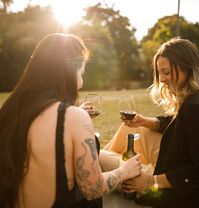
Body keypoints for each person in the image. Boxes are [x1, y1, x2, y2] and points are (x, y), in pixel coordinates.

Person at [0, 33, 141, 208]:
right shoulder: (73, 117)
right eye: (81, 72)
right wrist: (124, 171)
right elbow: (93, 188)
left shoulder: (8, 111)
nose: (81, 81)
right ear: (69, 71)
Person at [100, 37, 199, 208]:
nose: (163, 79)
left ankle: (104, 173)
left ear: (186, 68)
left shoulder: (198, 108)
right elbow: (177, 125)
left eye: (166, 72)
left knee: (98, 156)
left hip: (182, 193)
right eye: (160, 73)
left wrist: (149, 181)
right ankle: (120, 166)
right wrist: (143, 121)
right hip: (173, 161)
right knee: (129, 128)